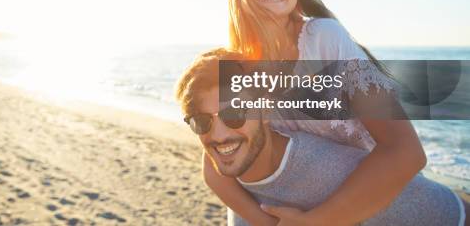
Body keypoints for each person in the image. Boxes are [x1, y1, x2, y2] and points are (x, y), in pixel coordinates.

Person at [206, 0, 431, 225]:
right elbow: (216, 168)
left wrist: (315, 222)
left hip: (373, 199)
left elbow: (406, 152)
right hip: (294, 203)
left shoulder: (324, 38)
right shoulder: (235, 67)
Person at [174, 49, 468, 226]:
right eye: (201, 123)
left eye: (234, 114)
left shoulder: (323, 173)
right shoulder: (236, 193)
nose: (219, 134)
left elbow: (406, 157)